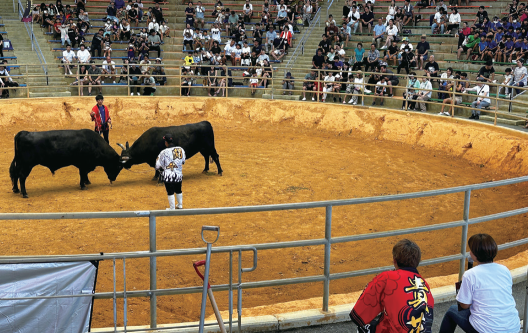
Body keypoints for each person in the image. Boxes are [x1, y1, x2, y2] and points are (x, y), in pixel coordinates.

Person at [439, 234, 520, 333]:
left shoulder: (470, 275)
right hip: (513, 327)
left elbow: (464, 306)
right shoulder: (505, 270)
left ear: (475, 255)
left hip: (487, 330)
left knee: (452, 310)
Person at [350, 239, 434, 332]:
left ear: (394, 261)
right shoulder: (425, 285)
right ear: (417, 262)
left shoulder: (387, 277)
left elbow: (359, 315)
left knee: (362, 327)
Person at [155, 134, 186, 210]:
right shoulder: (180, 149)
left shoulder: (163, 152)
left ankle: (172, 208)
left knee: (170, 192)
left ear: (166, 142)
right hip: (178, 175)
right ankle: (180, 205)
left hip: (168, 176)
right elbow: (183, 161)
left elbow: (158, 165)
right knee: (178, 190)